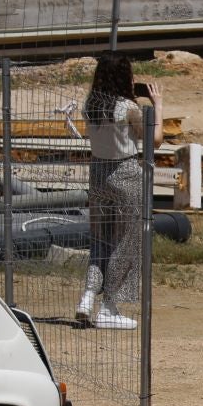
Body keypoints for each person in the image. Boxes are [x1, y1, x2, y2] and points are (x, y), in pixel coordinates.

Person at [69, 52, 161, 330]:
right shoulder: (128, 108)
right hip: (126, 174)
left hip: (97, 174)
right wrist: (158, 104)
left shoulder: (90, 105)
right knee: (127, 241)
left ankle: (88, 296)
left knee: (100, 240)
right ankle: (109, 305)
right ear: (124, 77)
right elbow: (155, 140)